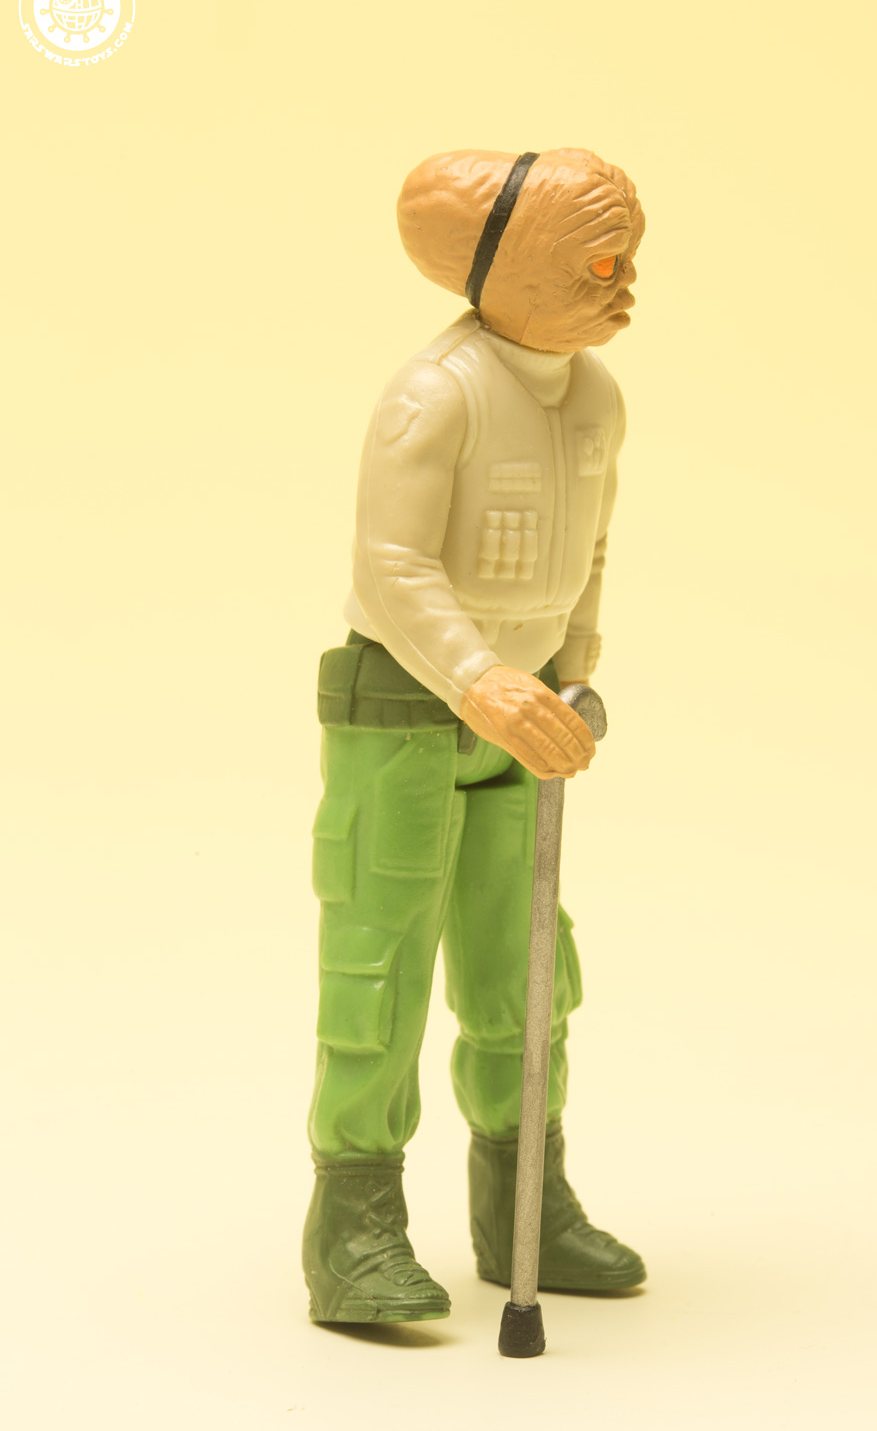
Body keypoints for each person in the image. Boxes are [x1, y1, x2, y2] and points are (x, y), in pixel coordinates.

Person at [302, 148, 647, 1324]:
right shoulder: (435, 394)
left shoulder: (594, 398)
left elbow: (589, 550)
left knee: (524, 971)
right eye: (596, 264)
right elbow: (389, 566)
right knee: (380, 964)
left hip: (528, 711)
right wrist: (476, 680)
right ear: (509, 271)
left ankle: (526, 1205)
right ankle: (352, 1226)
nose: (625, 282)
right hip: (407, 713)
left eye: (627, 259)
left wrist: (574, 668)